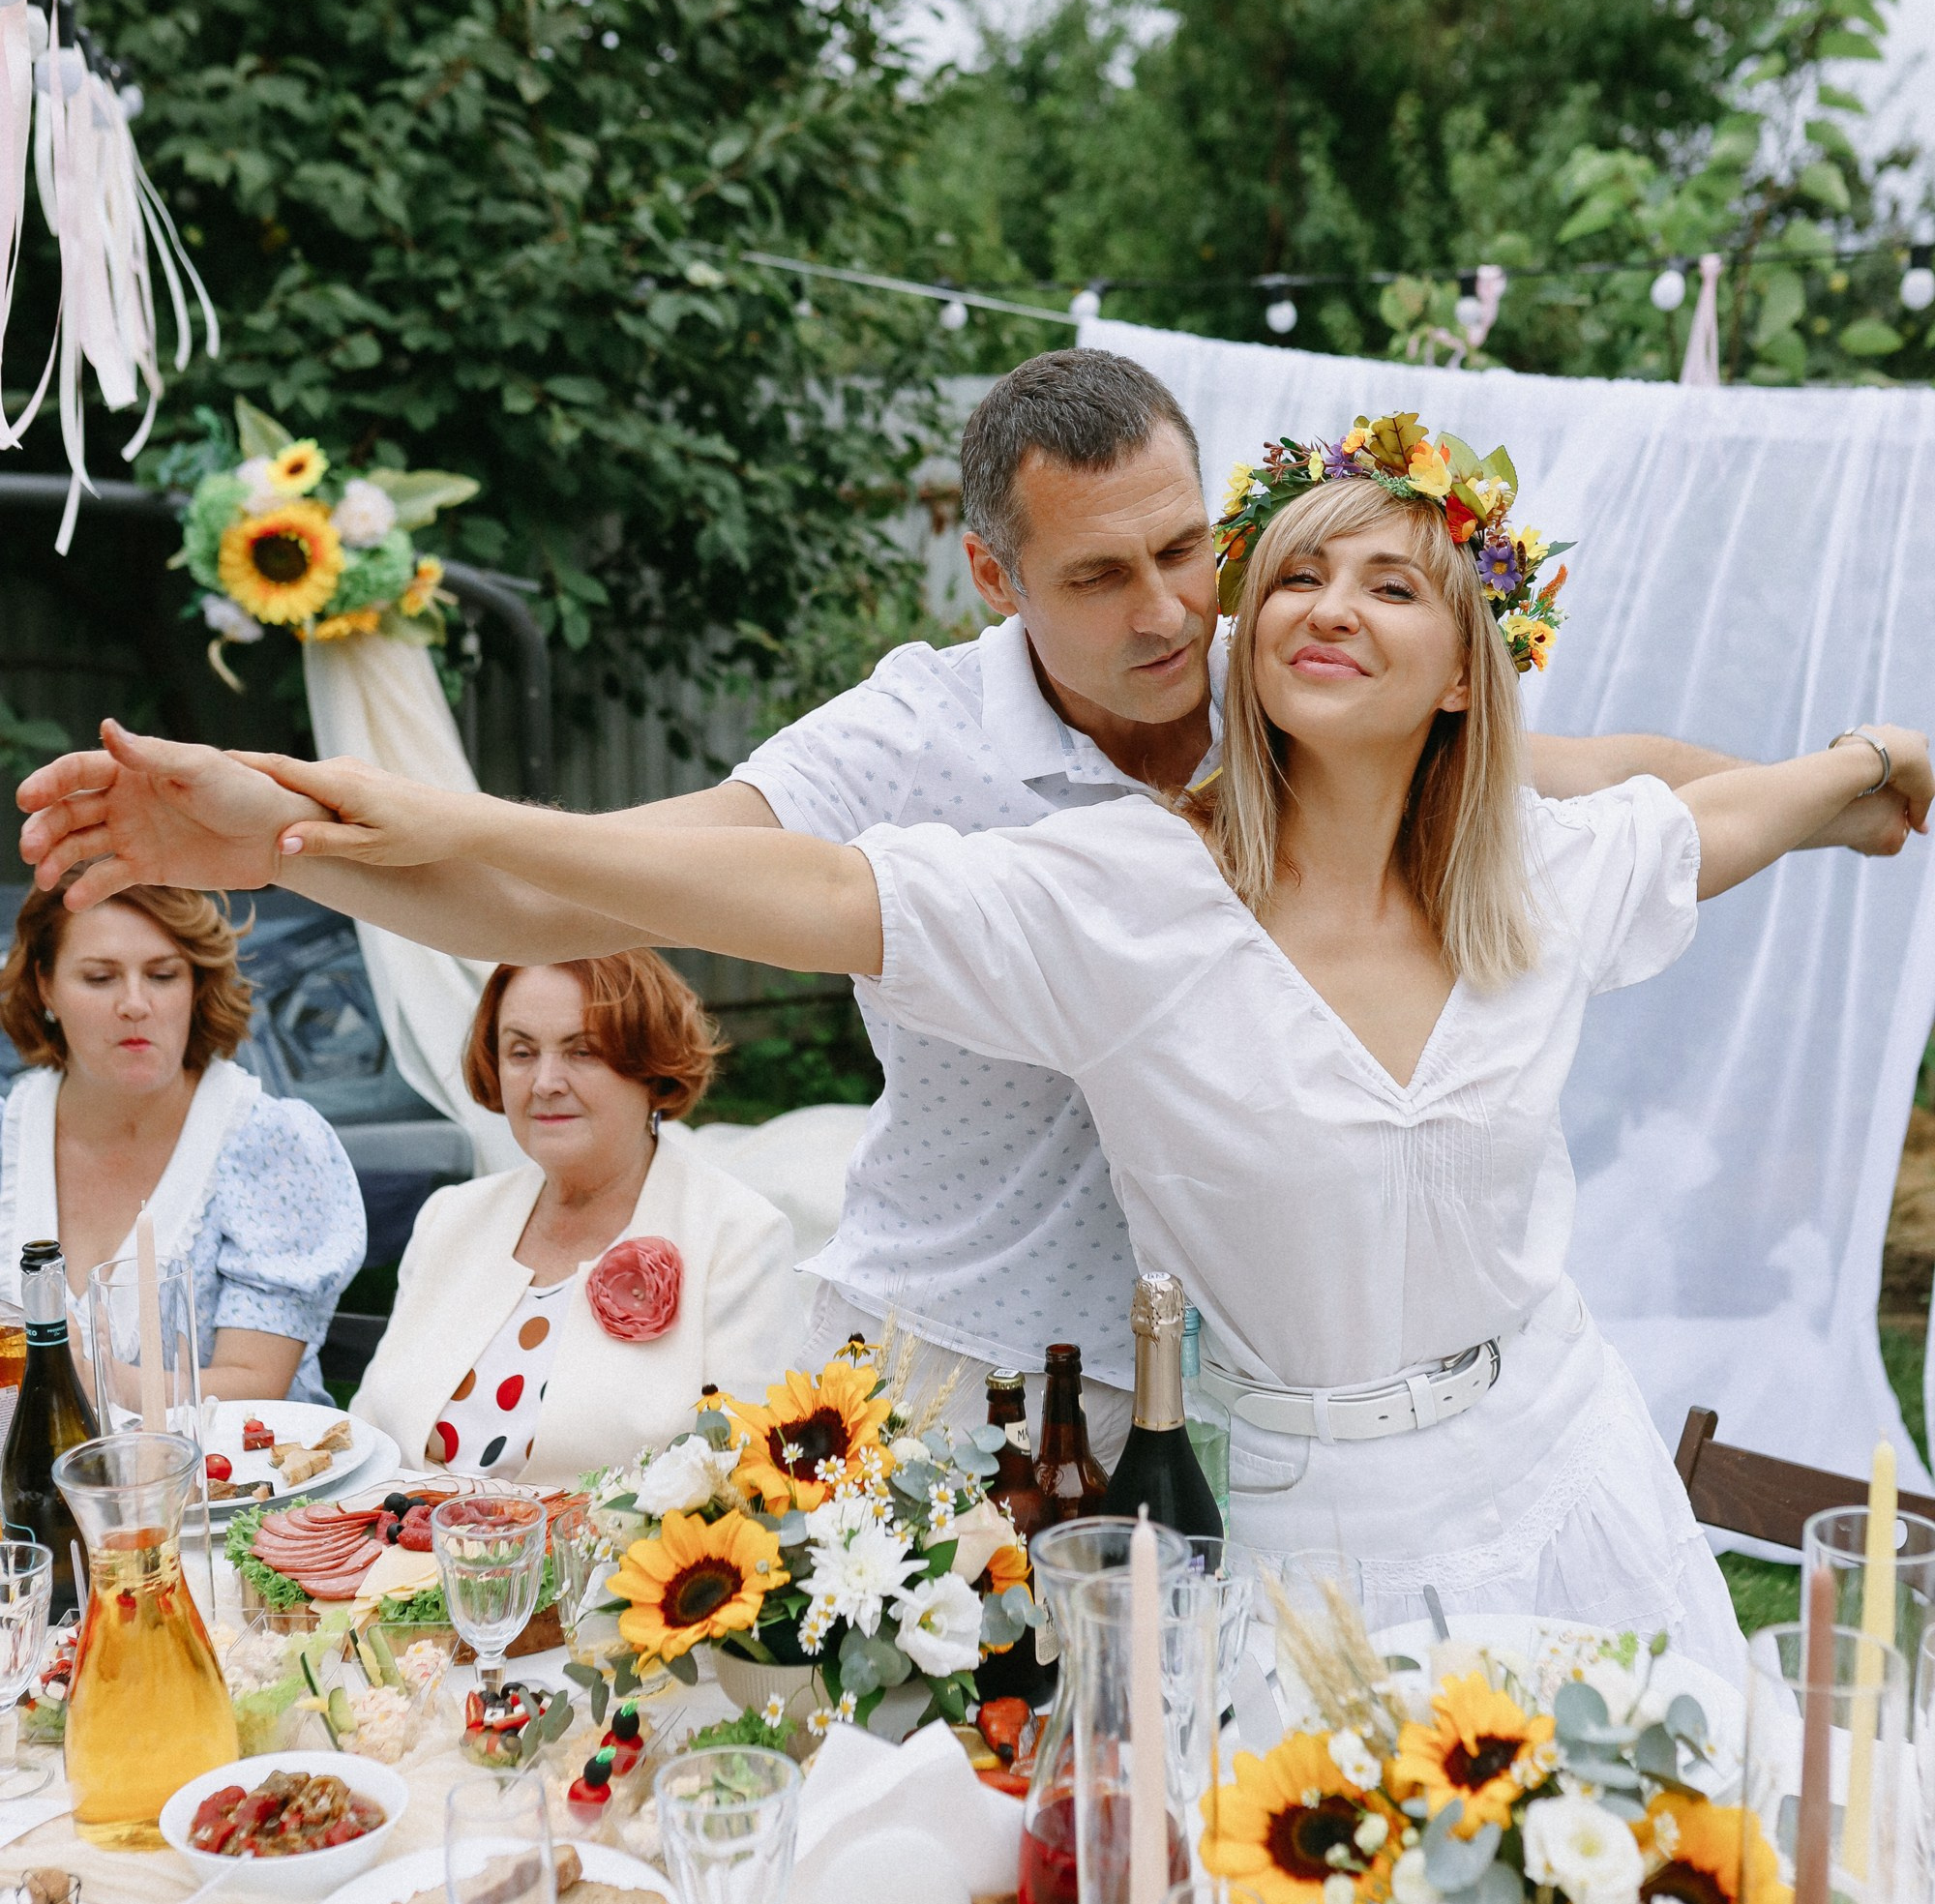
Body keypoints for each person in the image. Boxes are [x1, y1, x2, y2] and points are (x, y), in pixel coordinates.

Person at [73, 421, 1929, 1672]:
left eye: (1389, 585)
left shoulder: (1550, 863)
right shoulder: (1101, 895)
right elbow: (617, 880)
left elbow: (1729, 807)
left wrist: (1869, 776)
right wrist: (303, 829)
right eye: (1295, 576)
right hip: (1280, 1520)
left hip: (1561, 1464)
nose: (1313, 605)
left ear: (1468, 672)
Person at [351, 946, 801, 1477]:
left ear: (652, 1066)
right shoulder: (449, 1217)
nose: (545, 1083)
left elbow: (740, 1478)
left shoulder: (737, 1238)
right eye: (521, 1053)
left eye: (582, 1051)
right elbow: (369, 1437)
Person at [0, 883, 364, 1403]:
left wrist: (86, 1378)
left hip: (231, 1477)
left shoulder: (265, 1143)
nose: (134, 1003)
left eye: (163, 975)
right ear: (45, 986)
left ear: (196, 985)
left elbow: (258, 1383)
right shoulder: (8, 1138)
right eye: (99, 978)